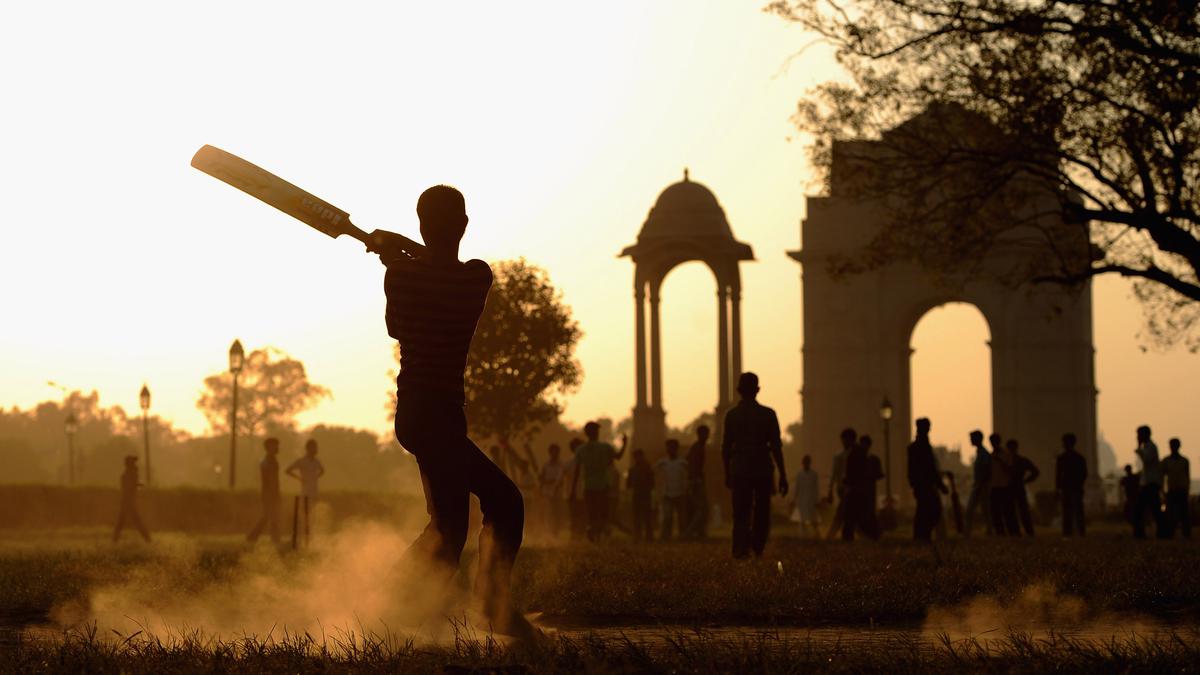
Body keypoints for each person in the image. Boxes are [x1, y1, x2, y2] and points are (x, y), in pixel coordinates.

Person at [384, 185, 528, 637]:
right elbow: (444, 270)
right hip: (436, 415)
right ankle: (490, 603)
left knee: (447, 527)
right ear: (464, 225)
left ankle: (389, 614)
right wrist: (402, 256)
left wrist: (395, 259)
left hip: (422, 414)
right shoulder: (476, 278)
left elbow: (395, 326)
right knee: (503, 502)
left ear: (421, 224)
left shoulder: (402, 277)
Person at [722, 372, 788, 559]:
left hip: (740, 468)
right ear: (758, 390)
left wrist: (727, 472)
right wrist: (782, 473)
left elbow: (726, 447)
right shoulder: (767, 414)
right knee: (762, 510)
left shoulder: (732, 416)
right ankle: (757, 545)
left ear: (738, 391)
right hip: (762, 468)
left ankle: (740, 547)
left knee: (741, 511)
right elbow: (776, 446)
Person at [570, 422, 627, 541]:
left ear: (586, 433)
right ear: (597, 432)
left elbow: (576, 472)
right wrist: (624, 444)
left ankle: (593, 530)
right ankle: (597, 532)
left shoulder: (581, 450)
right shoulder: (605, 447)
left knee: (592, 513)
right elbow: (619, 456)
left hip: (589, 486)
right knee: (603, 513)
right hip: (602, 485)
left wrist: (573, 490)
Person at [906, 418, 946, 541]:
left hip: (920, 484)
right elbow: (929, 468)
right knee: (931, 509)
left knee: (924, 510)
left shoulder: (914, 447)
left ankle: (922, 536)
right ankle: (922, 536)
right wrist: (939, 483)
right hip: (925, 484)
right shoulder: (922, 446)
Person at [842, 434, 883, 540]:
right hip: (861, 490)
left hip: (861, 490)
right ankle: (870, 535)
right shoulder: (860, 455)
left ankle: (869, 535)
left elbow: (854, 473)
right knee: (857, 515)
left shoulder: (859, 455)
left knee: (855, 515)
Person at [247, 437, 282, 544]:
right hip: (269, 493)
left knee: (269, 516)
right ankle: (271, 538)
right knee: (271, 516)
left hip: (270, 492)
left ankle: (254, 537)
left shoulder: (271, 461)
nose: (277, 447)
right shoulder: (267, 462)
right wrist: (274, 493)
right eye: (274, 445)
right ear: (269, 447)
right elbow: (270, 480)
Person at [1133, 425, 1166, 539]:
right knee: (1149, 509)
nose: (1137, 437)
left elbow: (1146, 460)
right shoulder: (1148, 447)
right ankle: (1159, 533)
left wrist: (1138, 448)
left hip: (1151, 484)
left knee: (1147, 509)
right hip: (1148, 483)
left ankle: (1159, 533)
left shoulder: (1151, 447)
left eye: (1139, 435)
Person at [824, 428, 855, 540]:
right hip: (842, 487)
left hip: (851, 486)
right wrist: (830, 489)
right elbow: (834, 473)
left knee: (845, 511)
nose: (844, 442)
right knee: (845, 510)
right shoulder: (839, 456)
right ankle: (838, 534)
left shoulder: (855, 455)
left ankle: (833, 534)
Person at [1054, 433, 1088, 536]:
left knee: (1067, 511)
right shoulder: (1079, 458)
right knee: (1077, 511)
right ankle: (1080, 531)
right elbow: (1084, 474)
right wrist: (1079, 483)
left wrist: (1057, 488)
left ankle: (1067, 532)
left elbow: (1058, 475)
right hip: (1075, 487)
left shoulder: (1062, 458)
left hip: (1067, 487)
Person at [656, 439, 690, 540]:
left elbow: (687, 477)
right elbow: (653, 473)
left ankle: (682, 536)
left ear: (676, 449)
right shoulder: (662, 462)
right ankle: (666, 536)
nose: (670, 449)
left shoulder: (683, 463)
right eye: (668, 447)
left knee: (682, 518)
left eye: (672, 447)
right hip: (667, 494)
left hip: (680, 494)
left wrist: (686, 490)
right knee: (667, 517)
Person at [113, 455, 150, 543]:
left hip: (126, 502)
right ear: (131, 464)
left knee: (121, 523)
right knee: (136, 522)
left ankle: (114, 540)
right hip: (128, 503)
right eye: (133, 462)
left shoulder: (127, 474)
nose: (135, 464)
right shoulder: (131, 474)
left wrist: (138, 485)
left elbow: (129, 486)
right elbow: (129, 487)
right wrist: (138, 485)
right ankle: (148, 539)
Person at [963, 430, 993, 537]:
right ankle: (988, 531)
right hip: (980, 485)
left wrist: (979, 483)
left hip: (981, 486)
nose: (970, 440)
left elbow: (986, 470)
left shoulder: (983, 454)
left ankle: (967, 532)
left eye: (972, 438)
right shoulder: (981, 453)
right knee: (985, 510)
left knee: (971, 510)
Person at [989, 433, 1019, 535]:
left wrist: (1000, 461)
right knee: (995, 512)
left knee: (1008, 511)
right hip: (994, 487)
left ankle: (1013, 532)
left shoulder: (1006, 454)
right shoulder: (991, 455)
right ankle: (1000, 532)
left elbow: (1010, 469)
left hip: (1005, 486)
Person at [1009, 439, 1040, 536]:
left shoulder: (1015, 461)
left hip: (1013, 488)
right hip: (1016, 487)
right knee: (1019, 510)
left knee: (1018, 511)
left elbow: (1035, 472)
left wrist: (1026, 481)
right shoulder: (1021, 460)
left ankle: (1018, 531)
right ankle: (1025, 531)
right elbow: (1035, 472)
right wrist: (1026, 481)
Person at [684, 425, 711, 538]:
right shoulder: (697, 447)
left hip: (696, 479)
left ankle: (700, 532)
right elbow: (692, 464)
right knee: (702, 509)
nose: (707, 436)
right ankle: (689, 532)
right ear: (700, 434)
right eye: (705, 433)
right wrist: (695, 479)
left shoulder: (698, 446)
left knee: (700, 508)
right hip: (696, 481)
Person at [1162, 438, 1191, 538]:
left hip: (1181, 490)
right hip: (1172, 490)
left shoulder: (1184, 461)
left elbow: (1187, 477)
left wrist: (1187, 489)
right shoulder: (1166, 461)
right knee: (1171, 513)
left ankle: (1186, 533)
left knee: (1184, 513)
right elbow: (1162, 476)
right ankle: (1170, 533)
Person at [538, 444, 567, 539]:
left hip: (558, 493)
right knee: (549, 513)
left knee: (557, 513)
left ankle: (556, 532)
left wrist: (556, 483)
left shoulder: (562, 465)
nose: (555, 454)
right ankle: (550, 532)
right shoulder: (546, 465)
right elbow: (541, 479)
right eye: (553, 452)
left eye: (556, 452)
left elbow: (563, 479)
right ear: (550, 453)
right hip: (547, 493)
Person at [627, 449, 656, 543]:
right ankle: (639, 536)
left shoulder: (646, 468)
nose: (638, 458)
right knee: (638, 517)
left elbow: (652, 482)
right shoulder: (633, 469)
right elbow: (629, 484)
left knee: (646, 517)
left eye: (639, 456)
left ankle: (647, 537)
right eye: (636, 456)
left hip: (644, 494)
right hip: (638, 495)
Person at [791, 455, 821, 537]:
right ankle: (803, 535)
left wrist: (817, 500)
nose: (806, 464)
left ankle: (817, 534)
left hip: (811, 499)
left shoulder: (814, 475)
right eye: (805, 462)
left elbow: (816, 488)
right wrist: (794, 499)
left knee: (813, 517)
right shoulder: (799, 475)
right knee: (802, 518)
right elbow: (797, 487)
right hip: (802, 499)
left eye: (807, 462)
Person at [1119, 464, 1140, 531]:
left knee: (1130, 513)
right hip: (1134, 497)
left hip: (1131, 498)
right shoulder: (1135, 477)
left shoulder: (1126, 479)